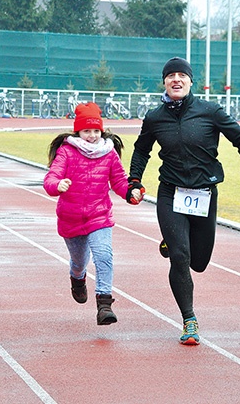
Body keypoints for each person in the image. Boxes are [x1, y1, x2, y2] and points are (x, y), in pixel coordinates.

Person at [127, 57, 240, 345]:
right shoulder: (155, 117)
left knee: (199, 262)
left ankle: (174, 240)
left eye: (182, 75)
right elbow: (142, 150)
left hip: (204, 192)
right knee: (181, 257)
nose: (176, 80)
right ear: (164, 82)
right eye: (171, 76)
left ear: (191, 81)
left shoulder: (210, 111)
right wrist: (135, 180)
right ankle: (189, 320)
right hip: (171, 192)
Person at [43, 102, 143, 326]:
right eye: (87, 131)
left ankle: (104, 303)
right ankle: (77, 278)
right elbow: (51, 177)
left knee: (104, 254)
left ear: (102, 131)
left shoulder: (108, 153)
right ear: (78, 131)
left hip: (99, 215)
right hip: (71, 216)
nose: (92, 136)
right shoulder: (66, 151)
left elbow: (118, 180)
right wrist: (57, 185)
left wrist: (130, 192)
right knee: (80, 261)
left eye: (96, 131)